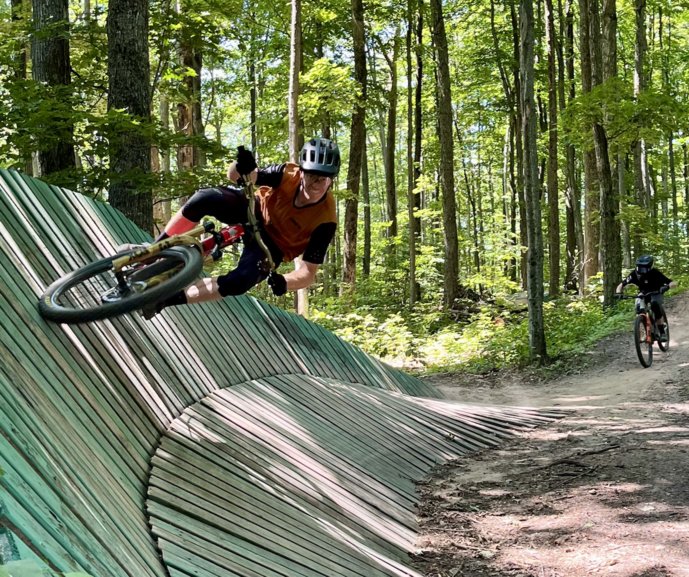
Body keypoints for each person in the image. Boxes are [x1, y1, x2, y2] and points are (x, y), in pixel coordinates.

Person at [142, 137, 340, 319]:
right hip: (253, 211)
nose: (316, 184)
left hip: (272, 248)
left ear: (331, 180)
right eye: (312, 176)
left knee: (240, 281)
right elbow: (239, 176)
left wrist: (285, 282)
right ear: (302, 171)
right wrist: (242, 166)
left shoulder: (326, 219)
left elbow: (307, 273)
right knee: (204, 198)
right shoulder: (287, 173)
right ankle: (151, 252)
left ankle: (164, 300)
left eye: (323, 179)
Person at [615, 255, 676, 340]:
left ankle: (662, 332)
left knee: (655, 306)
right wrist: (618, 293)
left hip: (656, 292)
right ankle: (646, 329)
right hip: (643, 294)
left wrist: (667, 287)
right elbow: (621, 285)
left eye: (645, 267)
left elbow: (672, 282)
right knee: (639, 309)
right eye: (640, 267)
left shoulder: (655, 273)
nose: (642, 270)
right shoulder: (634, 274)